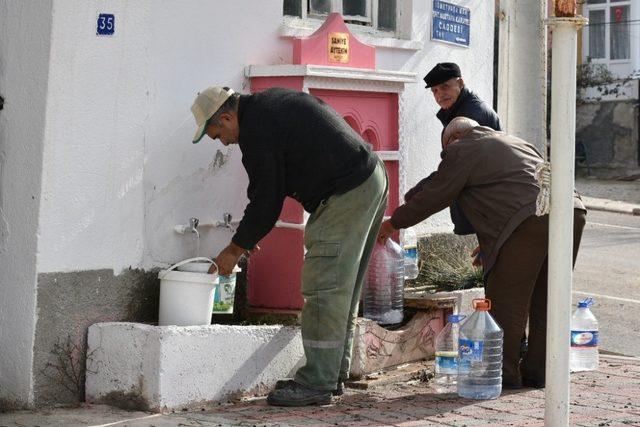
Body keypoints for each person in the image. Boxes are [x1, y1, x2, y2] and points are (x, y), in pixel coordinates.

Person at [190, 86, 389, 406]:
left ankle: (317, 383)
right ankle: (330, 375)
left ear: (227, 117)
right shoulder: (267, 107)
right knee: (342, 287)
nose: (223, 142)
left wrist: (234, 249)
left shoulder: (256, 129)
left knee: (325, 284)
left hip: (348, 191)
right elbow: (267, 194)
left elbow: (267, 201)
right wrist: (247, 239)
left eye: (217, 134)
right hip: (369, 178)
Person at [378, 117, 587, 389]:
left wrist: (392, 223)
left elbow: (434, 194)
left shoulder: (463, 149)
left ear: (453, 140)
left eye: (445, 153)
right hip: (571, 211)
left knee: (506, 302)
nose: (446, 159)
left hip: (531, 217)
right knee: (549, 298)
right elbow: (511, 190)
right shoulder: (513, 141)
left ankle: (502, 374)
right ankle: (541, 371)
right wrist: (498, 241)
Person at [424, 62, 502, 238]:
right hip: (480, 202)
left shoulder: (469, 115)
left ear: (460, 83)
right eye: (434, 91)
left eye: (445, 87)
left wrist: (419, 194)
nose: (439, 95)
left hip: (484, 203)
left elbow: (456, 169)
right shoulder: (457, 109)